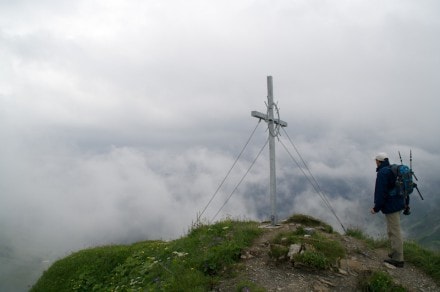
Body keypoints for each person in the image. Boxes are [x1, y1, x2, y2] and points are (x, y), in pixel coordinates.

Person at [370, 152, 405, 268]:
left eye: (376, 161)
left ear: (379, 161)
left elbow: (381, 192)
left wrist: (376, 208)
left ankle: (398, 259)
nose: (375, 162)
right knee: (391, 230)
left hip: (392, 206)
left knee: (395, 231)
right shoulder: (393, 169)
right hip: (399, 203)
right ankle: (395, 252)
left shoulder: (382, 173)